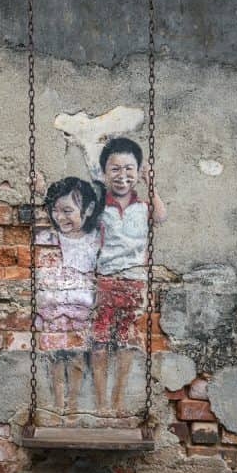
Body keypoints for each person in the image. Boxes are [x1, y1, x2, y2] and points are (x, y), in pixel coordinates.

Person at [82, 137, 167, 413]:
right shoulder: (99, 207)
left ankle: (118, 399)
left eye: (129, 169)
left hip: (134, 282)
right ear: (104, 173)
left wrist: (150, 183)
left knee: (126, 339)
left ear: (139, 171)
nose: (122, 176)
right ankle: (101, 402)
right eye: (115, 169)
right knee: (101, 338)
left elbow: (161, 216)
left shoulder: (143, 207)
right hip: (106, 281)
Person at [36, 177, 102, 413]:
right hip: (53, 309)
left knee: (76, 358)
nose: (60, 217)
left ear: (88, 210)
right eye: (55, 211)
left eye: (67, 211)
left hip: (81, 310)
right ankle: (57, 405)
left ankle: (73, 404)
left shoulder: (93, 240)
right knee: (55, 357)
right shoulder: (47, 239)